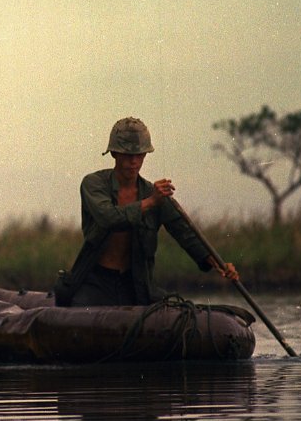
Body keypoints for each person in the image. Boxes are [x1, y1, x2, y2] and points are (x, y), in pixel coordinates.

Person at [54, 117, 239, 307]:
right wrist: (150, 202)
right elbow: (109, 218)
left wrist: (218, 264)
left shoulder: (154, 194)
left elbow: (186, 234)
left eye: (139, 155)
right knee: (81, 311)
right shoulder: (94, 184)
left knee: (174, 311)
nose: (134, 161)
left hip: (136, 284)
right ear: (115, 154)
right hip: (95, 282)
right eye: (127, 155)